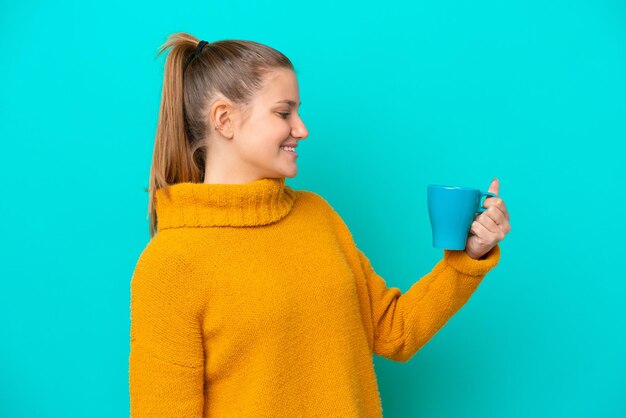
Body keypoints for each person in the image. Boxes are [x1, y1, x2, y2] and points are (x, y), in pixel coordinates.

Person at [128, 32, 512, 417]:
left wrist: (468, 257)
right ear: (224, 119)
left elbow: (396, 331)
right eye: (284, 113)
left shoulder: (316, 215)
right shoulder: (169, 266)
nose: (301, 128)